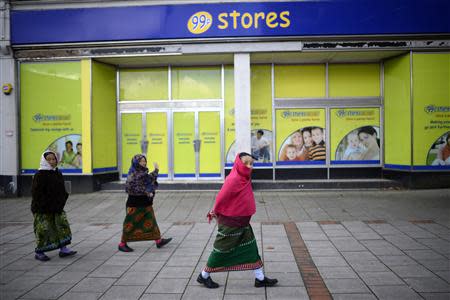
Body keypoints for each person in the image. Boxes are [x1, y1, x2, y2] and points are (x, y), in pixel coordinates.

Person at [197, 152, 278, 289]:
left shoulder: (244, 178)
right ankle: (203, 276)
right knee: (221, 251)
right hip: (231, 224)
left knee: (251, 248)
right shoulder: (234, 178)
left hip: (243, 223)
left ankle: (260, 278)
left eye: (251, 163)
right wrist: (214, 211)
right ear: (238, 163)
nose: (249, 166)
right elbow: (221, 197)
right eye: (246, 163)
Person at [118, 154, 172, 252]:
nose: (144, 163)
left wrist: (156, 170)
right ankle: (122, 244)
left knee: (151, 222)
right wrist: (147, 192)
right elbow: (131, 188)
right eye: (141, 161)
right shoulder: (133, 174)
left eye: (144, 161)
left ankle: (158, 241)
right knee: (130, 224)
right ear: (136, 163)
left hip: (145, 203)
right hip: (134, 204)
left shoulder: (143, 173)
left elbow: (149, 178)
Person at [31, 151, 76, 261]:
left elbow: (62, 189)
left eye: (54, 159)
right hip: (43, 209)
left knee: (62, 227)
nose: (52, 161)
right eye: (49, 159)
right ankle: (40, 251)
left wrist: (62, 200)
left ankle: (63, 249)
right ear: (44, 161)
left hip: (57, 207)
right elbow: (36, 193)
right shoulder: (40, 175)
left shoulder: (57, 172)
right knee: (44, 230)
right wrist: (44, 206)